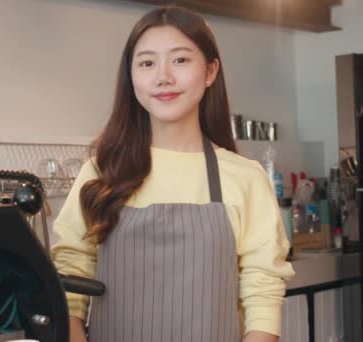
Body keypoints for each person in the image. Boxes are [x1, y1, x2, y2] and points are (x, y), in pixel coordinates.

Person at [51, 5, 294, 342]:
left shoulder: (245, 178)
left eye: (180, 60)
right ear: (131, 76)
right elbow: (70, 273)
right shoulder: (101, 172)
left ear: (210, 72)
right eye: (147, 63)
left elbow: (263, 288)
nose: (163, 76)